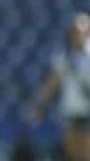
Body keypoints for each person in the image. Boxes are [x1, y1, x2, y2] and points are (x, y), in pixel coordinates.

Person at [27, 13, 90, 161]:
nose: (78, 36)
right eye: (75, 32)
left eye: (83, 32)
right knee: (73, 152)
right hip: (72, 110)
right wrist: (38, 106)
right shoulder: (63, 57)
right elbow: (51, 84)